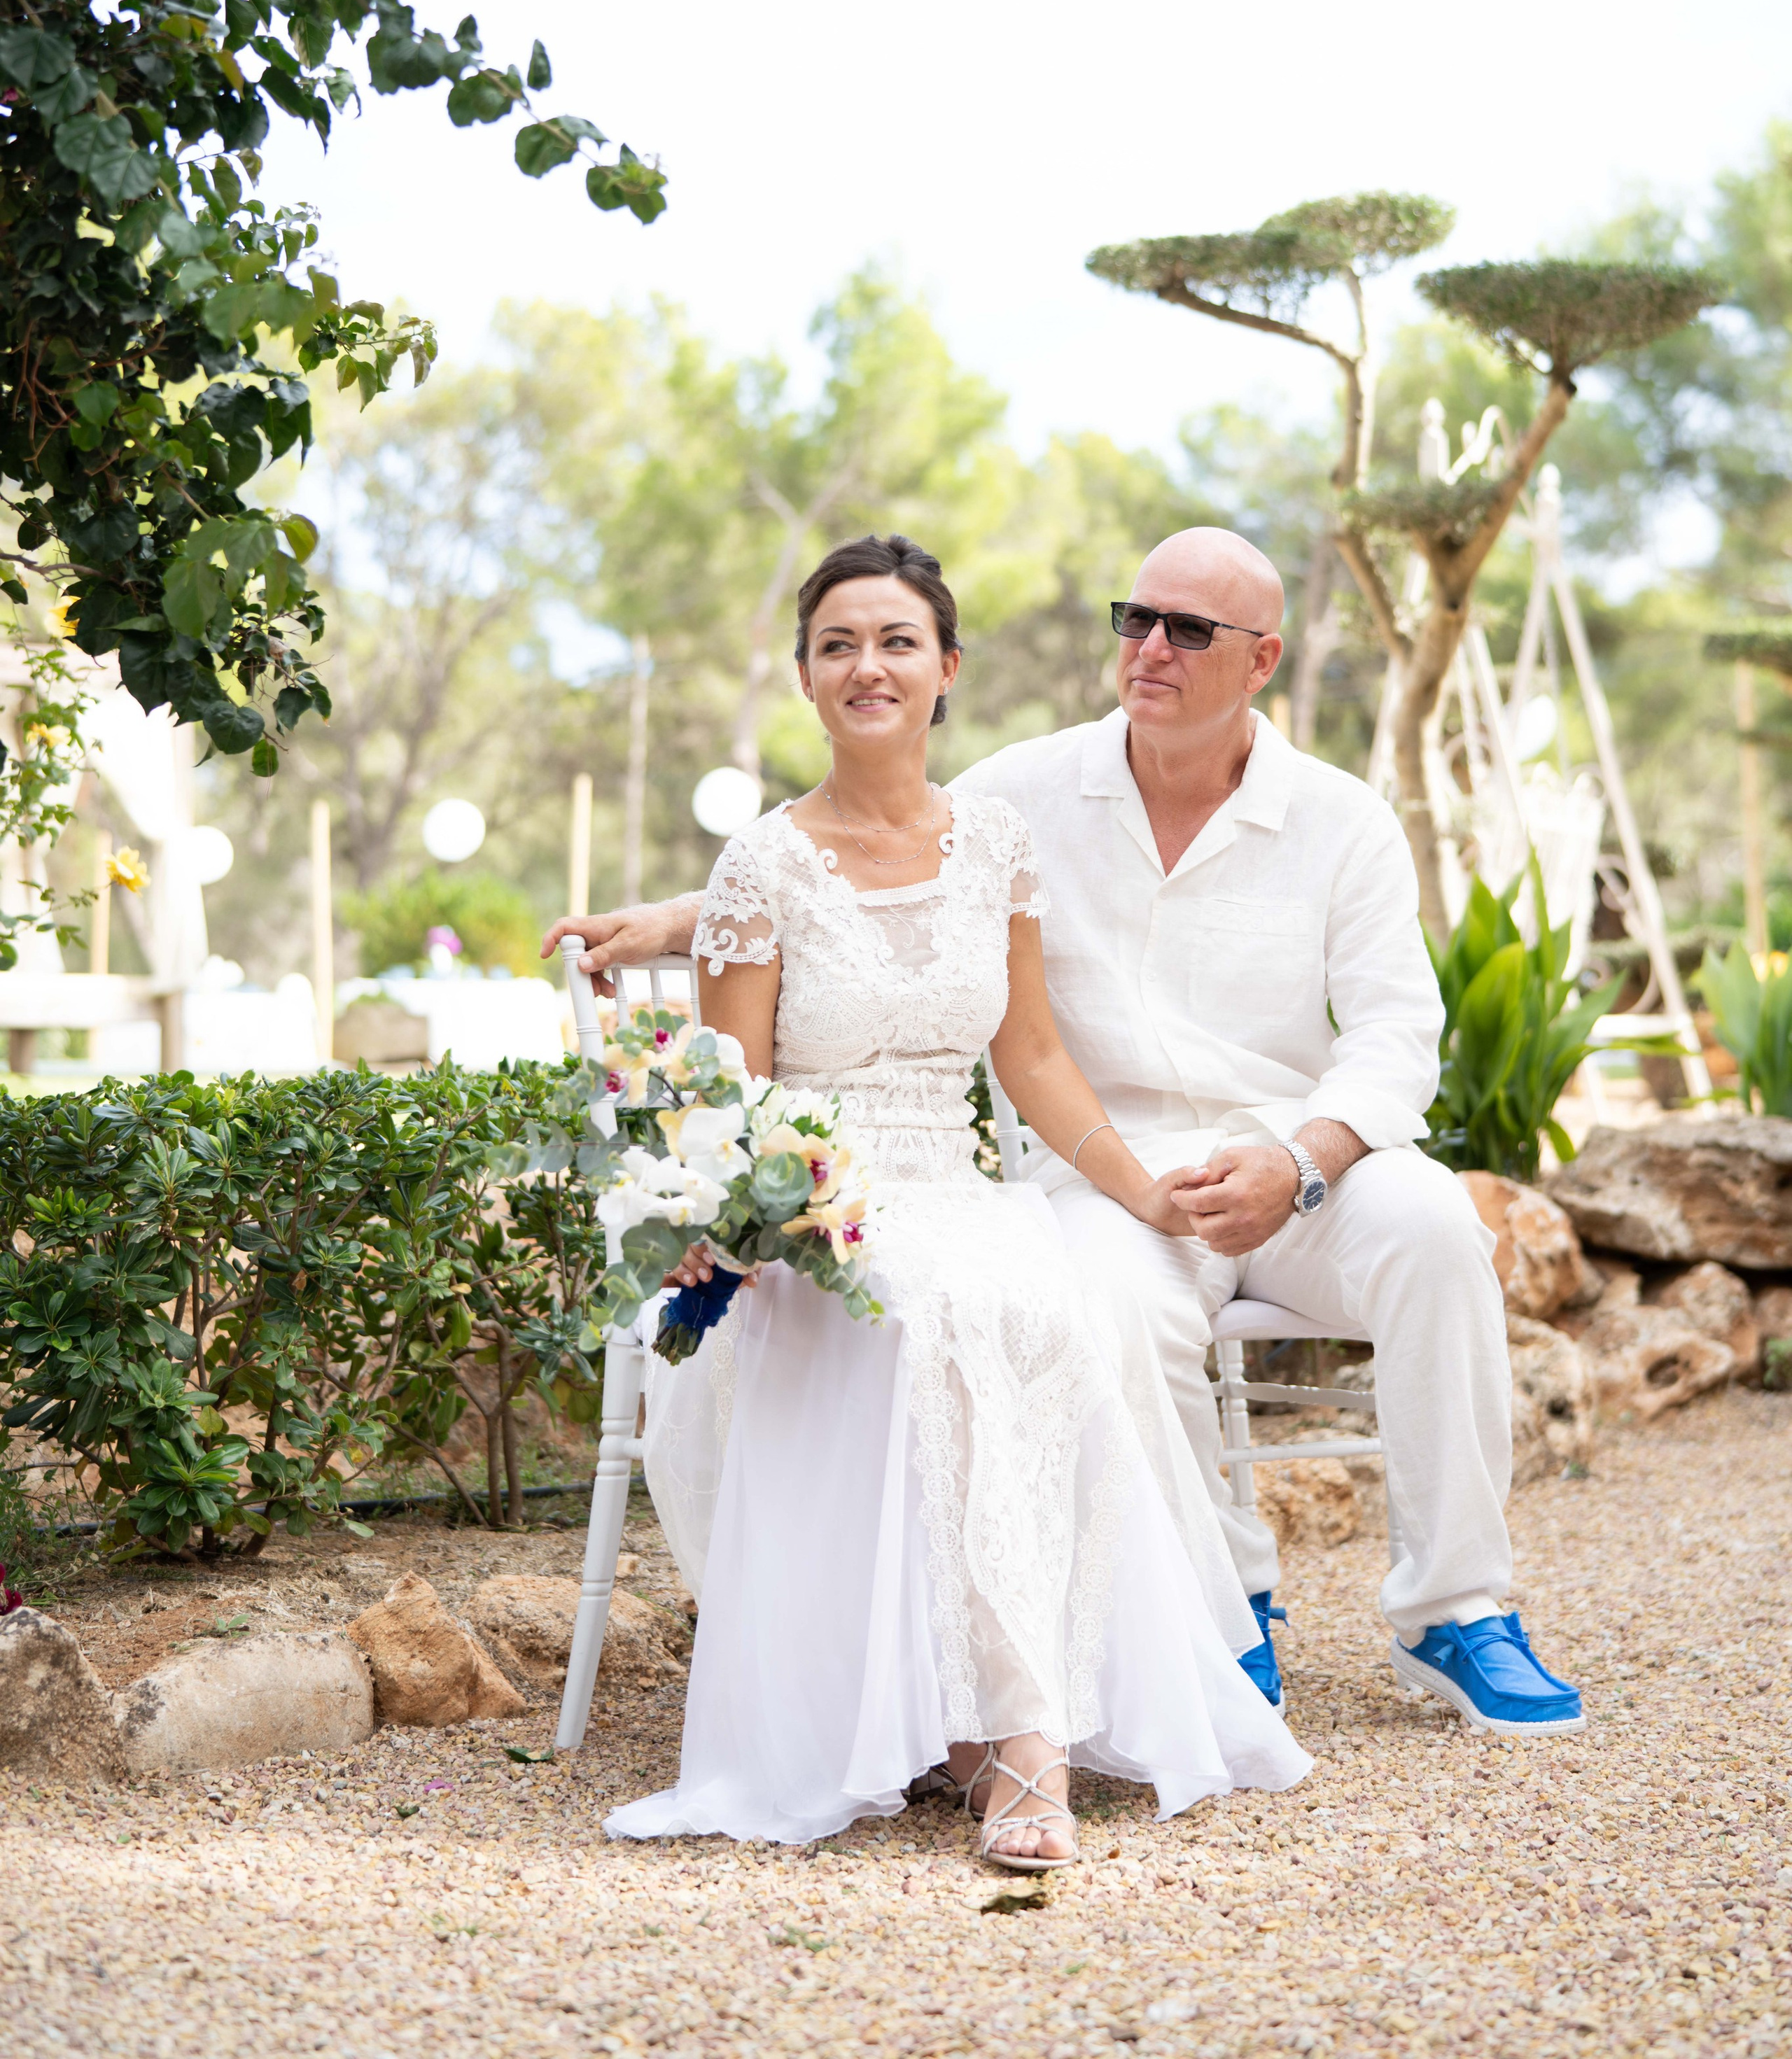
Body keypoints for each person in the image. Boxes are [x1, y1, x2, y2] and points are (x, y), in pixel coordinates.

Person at [549, 526, 1585, 1742]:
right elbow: (861, 862)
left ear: (1262, 661)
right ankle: (1220, 1612)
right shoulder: (1022, 793)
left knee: (1436, 1232)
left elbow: (1401, 1033)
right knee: (1104, 1300)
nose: (1150, 648)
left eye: (1189, 630)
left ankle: (1456, 1611)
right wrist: (679, 921)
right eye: (1134, 618)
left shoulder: (1342, 820)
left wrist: (1304, 1160)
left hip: (1302, 1163)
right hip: (1112, 1171)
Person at [589, 533, 1309, 1858]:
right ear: (806, 677)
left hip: (963, 1189)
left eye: (897, 642)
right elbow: (730, 1093)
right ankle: (1022, 1743)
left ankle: (987, 1720)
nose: (869, 665)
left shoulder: (997, 845)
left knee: (1047, 1301)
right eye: (838, 644)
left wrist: (1142, 1191)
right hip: (817, 1214)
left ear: (947, 673)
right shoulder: (763, 864)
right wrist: (743, 1225)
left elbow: (1032, 1057)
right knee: (949, 1315)